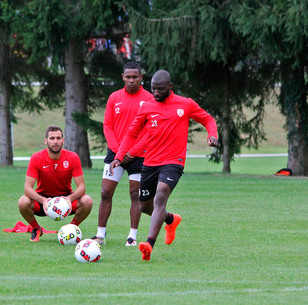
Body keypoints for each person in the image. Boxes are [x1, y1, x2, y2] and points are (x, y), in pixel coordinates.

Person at [110, 70, 218, 261]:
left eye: (160, 89)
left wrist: (212, 135)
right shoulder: (147, 107)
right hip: (150, 162)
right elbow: (132, 134)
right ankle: (170, 219)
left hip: (173, 162)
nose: (156, 93)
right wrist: (119, 157)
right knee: (145, 206)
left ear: (170, 87)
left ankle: (148, 244)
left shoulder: (185, 104)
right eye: (153, 89)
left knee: (160, 196)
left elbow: (208, 119)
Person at [91, 62, 153, 247]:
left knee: (136, 194)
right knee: (105, 192)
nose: (132, 80)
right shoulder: (114, 97)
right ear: (123, 77)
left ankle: (132, 237)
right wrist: (119, 152)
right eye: (128, 77)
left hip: (140, 155)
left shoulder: (149, 99)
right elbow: (107, 125)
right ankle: (100, 235)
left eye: (135, 77)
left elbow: (149, 131)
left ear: (141, 77)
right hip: (115, 153)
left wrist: (130, 152)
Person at [18, 126, 93, 242]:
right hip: (43, 201)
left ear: (63, 140)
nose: (55, 141)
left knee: (87, 201)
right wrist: (43, 200)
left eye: (58, 138)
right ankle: (36, 229)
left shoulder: (73, 157)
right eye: (52, 138)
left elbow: (82, 187)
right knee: (23, 202)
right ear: (45, 141)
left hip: (65, 199)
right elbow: (27, 188)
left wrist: (70, 198)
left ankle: (71, 228)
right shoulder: (36, 158)